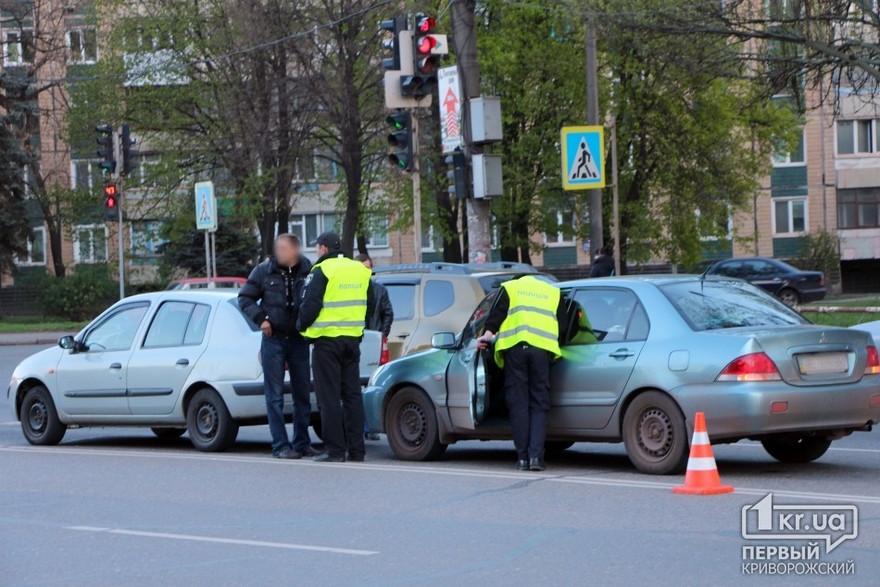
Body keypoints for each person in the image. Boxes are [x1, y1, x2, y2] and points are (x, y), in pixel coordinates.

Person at [238, 234, 321, 459]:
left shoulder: (308, 270)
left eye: (284, 248)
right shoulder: (264, 271)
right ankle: (280, 445)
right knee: (273, 395)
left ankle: (302, 442)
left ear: (296, 250)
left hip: (298, 339)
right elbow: (245, 298)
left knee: (302, 393)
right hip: (273, 338)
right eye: (279, 248)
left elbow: (315, 299)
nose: (280, 252)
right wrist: (261, 319)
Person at [298, 232, 376, 463]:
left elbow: (310, 305)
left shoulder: (322, 270)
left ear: (323, 249)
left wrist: (300, 327)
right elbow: (371, 304)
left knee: (329, 397)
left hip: (326, 342)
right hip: (352, 341)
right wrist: (357, 328)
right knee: (352, 395)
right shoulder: (360, 270)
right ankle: (357, 450)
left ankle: (335, 451)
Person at [477, 275, 566, 471]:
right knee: (539, 404)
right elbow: (564, 326)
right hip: (542, 351)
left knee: (519, 404)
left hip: (515, 351)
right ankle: (536, 458)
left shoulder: (511, 287)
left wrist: (485, 337)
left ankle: (523, 459)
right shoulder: (552, 292)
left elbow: (495, 318)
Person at [355, 253, 393, 441]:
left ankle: (370, 427)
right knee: (353, 386)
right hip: (353, 342)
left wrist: (381, 335)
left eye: (369, 268)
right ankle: (359, 427)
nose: (366, 271)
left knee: (371, 385)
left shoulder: (379, 290)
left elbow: (388, 313)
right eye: (363, 268)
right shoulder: (350, 290)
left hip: (373, 343)